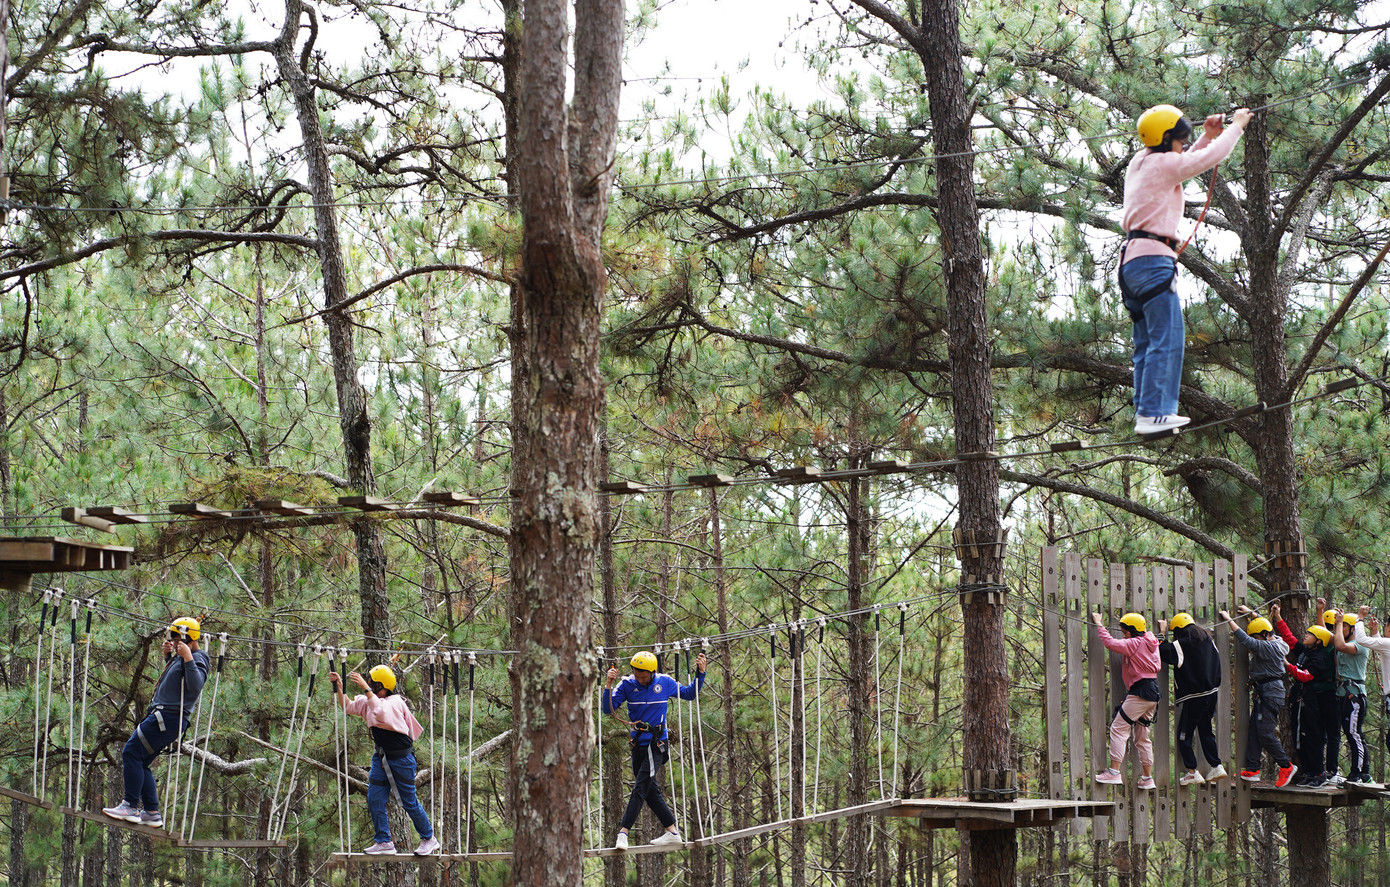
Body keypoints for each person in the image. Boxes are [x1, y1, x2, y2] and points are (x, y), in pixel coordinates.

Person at [1120, 104, 1253, 435]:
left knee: (1147, 343)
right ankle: (1154, 413)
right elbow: (1198, 162)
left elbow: (1183, 161)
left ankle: (1146, 413)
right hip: (1153, 261)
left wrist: (1207, 136)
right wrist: (1235, 127)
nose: (1183, 146)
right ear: (1168, 140)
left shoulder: (1141, 162)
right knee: (1168, 339)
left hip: (1131, 263)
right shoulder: (1165, 164)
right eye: (1180, 141)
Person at [102, 618, 211, 827]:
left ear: (188, 638)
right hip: (167, 718)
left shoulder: (199, 657)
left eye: (178, 638)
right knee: (140, 760)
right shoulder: (182, 657)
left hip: (168, 717)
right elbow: (176, 680)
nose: (175, 641)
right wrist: (169, 657)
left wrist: (187, 657)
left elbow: (195, 685)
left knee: (131, 752)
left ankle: (130, 806)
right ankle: (151, 812)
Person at [329, 664, 440, 855]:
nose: (369, 685)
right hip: (381, 757)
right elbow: (347, 706)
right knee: (375, 798)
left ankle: (429, 838)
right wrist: (339, 686)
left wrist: (366, 688)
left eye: (372, 683)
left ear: (381, 686)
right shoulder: (371, 702)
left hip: (402, 760)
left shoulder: (395, 702)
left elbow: (381, 712)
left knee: (409, 802)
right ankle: (384, 841)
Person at [603, 650, 707, 850]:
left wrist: (700, 673)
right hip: (637, 745)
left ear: (652, 672)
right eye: (636, 675)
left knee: (641, 786)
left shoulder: (665, 682)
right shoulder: (627, 684)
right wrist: (608, 684)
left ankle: (623, 832)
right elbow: (608, 709)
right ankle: (673, 832)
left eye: (643, 676)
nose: (639, 679)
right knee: (650, 791)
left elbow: (689, 694)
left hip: (657, 744)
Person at [1220, 606, 1296, 787]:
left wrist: (1228, 619)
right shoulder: (1276, 640)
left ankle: (1286, 766)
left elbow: (1247, 641)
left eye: (1257, 636)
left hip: (1270, 693)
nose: (1256, 640)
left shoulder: (1269, 648)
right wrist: (1251, 613)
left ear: (1263, 635)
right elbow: (1263, 628)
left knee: (1265, 733)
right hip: (1266, 692)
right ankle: (1253, 769)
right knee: (1255, 730)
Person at [1092, 612, 1160, 789]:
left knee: (1118, 728)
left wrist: (1099, 624)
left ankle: (1114, 773)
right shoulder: (1151, 641)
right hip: (1152, 693)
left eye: (1125, 632)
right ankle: (1147, 778)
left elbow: (1110, 643)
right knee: (1143, 737)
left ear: (1133, 630)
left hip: (1141, 692)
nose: (1124, 635)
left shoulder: (1135, 643)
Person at [1156, 612, 1226, 785]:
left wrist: (1162, 633)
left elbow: (1163, 651)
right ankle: (1216, 765)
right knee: (1206, 731)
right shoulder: (1209, 640)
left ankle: (1191, 771)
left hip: (1194, 697)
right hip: (1211, 694)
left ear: (1178, 630)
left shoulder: (1181, 644)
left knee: (1184, 735)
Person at [1276, 605, 1335, 787]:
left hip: (1309, 702)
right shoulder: (1306, 652)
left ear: (1319, 641)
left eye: (1310, 634)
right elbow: (1290, 639)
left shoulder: (1319, 658)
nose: (1305, 635)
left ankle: (1318, 773)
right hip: (1300, 699)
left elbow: (1306, 676)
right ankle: (1309, 772)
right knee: (1299, 737)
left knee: (1311, 737)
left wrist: (1288, 666)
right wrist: (1278, 618)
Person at [1330, 607, 1374, 785]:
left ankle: (1358, 772)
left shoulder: (1360, 645)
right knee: (1352, 734)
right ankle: (1362, 772)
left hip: (1354, 696)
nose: (1340, 630)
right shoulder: (1345, 644)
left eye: (1344, 627)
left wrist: (1340, 622)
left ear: (1352, 628)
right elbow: (1332, 639)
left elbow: (1339, 645)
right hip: (1345, 695)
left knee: (1354, 734)